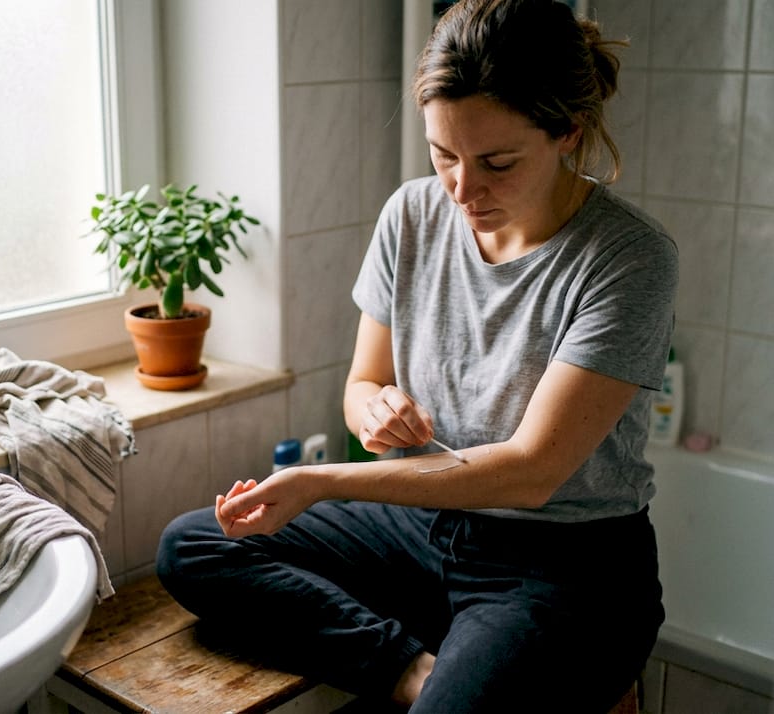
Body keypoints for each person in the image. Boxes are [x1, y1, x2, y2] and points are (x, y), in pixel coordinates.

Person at [157, 0, 677, 710]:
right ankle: (415, 672)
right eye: (443, 156)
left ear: (567, 133)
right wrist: (374, 411)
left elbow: (531, 472)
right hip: (423, 531)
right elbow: (362, 381)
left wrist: (323, 481)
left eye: (497, 162)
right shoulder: (411, 213)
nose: (463, 189)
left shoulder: (628, 258)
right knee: (194, 545)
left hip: (564, 563)